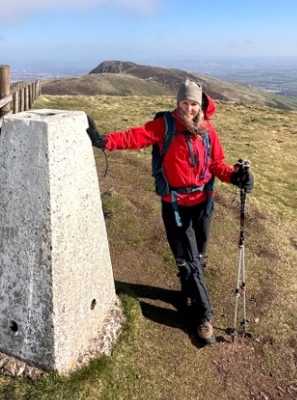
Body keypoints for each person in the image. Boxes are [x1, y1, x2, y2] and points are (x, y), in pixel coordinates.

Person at [86, 79, 254, 344]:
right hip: (176, 206)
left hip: (203, 204)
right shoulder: (164, 126)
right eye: (185, 103)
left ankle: (188, 291)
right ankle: (204, 317)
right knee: (189, 259)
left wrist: (236, 177)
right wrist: (103, 141)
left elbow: (217, 164)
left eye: (193, 104)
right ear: (178, 102)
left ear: (200, 105)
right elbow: (135, 137)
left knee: (198, 256)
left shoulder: (208, 131)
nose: (189, 108)